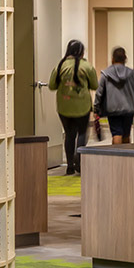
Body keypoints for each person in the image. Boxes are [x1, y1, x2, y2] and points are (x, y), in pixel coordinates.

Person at [49, 40, 97, 176]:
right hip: (82, 106)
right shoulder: (86, 66)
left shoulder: (60, 66)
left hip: (64, 107)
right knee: (82, 133)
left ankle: (69, 165)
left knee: (69, 134)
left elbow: (52, 86)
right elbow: (95, 85)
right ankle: (79, 159)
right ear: (81, 52)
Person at [97, 46, 134, 144]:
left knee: (116, 133)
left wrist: (96, 108)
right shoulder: (132, 73)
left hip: (112, 109)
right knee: (126, 134)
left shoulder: (106, 74)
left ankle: (116, 154)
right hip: (129, 108)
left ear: (113, 58)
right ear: (125, 59)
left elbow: (99, 92)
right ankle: (126, 153)